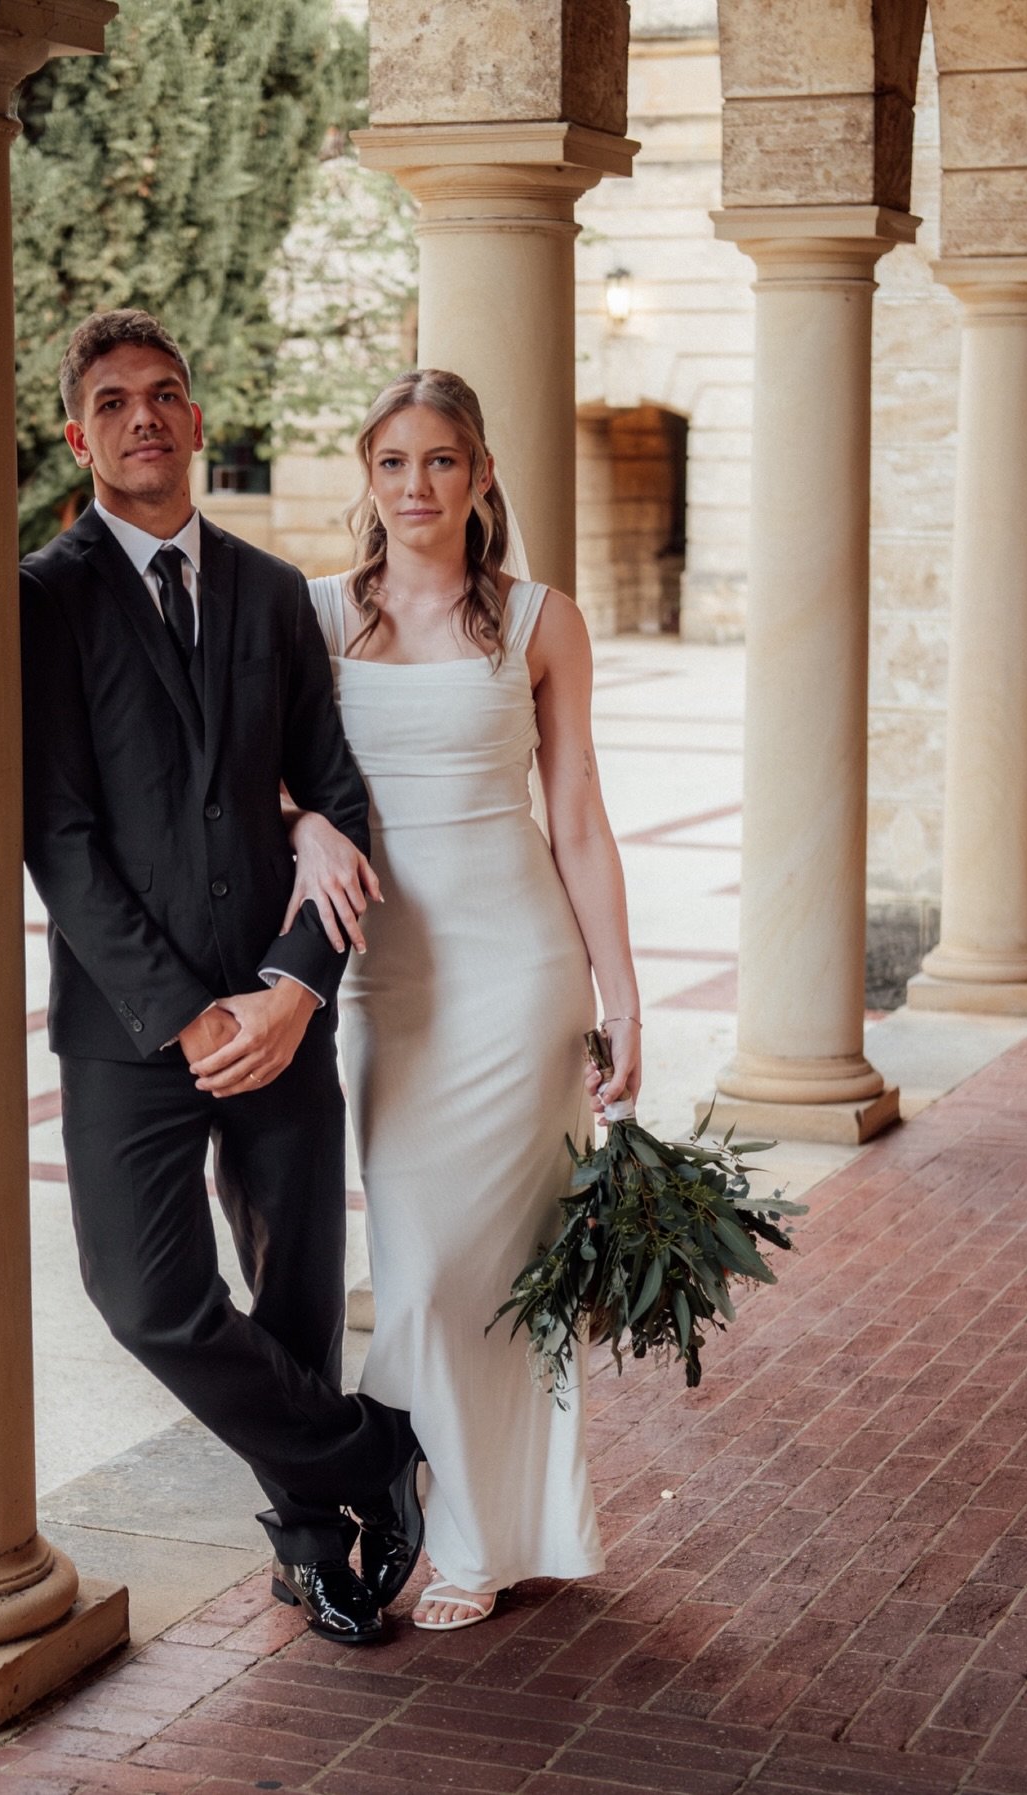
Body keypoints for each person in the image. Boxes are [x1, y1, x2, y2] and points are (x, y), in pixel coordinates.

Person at [19, 310, 422, 1646]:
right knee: (148, 1296)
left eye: (167, 393)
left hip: (282, 1002)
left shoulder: (268, 587)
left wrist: (296, 984)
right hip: (133, 1024)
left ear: (197, 420)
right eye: (116, 400)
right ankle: (369, 1452)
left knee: (297, 1284)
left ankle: (312, 1545)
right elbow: (61, 837)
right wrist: (191, 1014)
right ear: (78, 437)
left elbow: (338, 793)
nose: (146, 415)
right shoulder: (42, 598)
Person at [287, 368, 643, 1631]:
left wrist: (623, 994)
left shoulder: (543, 621)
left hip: (523, 973)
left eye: (443, 462)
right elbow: (256, 773)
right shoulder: (319, 615)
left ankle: (493, 1537)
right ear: (367, 479)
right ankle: (438, 1500)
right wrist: (307, 827)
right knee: (428, 1271)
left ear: (482, 476)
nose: (418, 486)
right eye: (395, 464)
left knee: (514, 1269)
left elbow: (581, 817)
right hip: (396, 978)